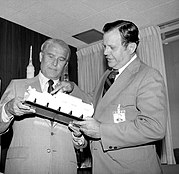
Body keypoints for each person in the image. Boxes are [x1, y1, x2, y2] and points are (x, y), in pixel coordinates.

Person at [70, 20, 167, 174]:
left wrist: (102, 131)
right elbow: (93, 102)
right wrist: (71, 88)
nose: (105, 52)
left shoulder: (148, 76)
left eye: (112, 47)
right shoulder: (107, 75)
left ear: (131, 47)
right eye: (104, 46)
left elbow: (154, 127)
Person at [0, 38, 90, 174]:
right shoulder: (17, 86)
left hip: (64, 167)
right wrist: (8, 109)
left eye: (61, 59)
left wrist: (78, 137)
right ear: (41, 56)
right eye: (51, 56)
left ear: (66, 64)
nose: (55, 63)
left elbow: (83, 143)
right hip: (24, 168)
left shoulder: (75, 96)